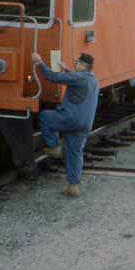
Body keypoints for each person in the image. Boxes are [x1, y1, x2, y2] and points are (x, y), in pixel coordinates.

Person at [31, 51, 99, 198]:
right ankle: (73, 186)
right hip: (86, 124)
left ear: (84, 65)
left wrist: (40, 62)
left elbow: (53, 77)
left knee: (44, 117)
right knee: (75, 153)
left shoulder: (78, 77)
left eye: (77, 62)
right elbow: (76, 79)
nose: (75, 64)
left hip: (71, 119)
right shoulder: (93, 79)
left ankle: (54, 146)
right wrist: (67, 69)